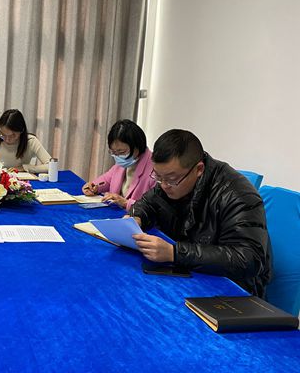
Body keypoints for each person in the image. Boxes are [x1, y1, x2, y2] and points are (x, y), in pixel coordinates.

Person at [130, 129, 272, 297]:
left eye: (171, 179)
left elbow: (247, 259)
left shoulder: (238, 195)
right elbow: (148, 202)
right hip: (193, 270)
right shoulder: (172, 181)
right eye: (158, 177)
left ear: (199, 169)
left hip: (232, 289)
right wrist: (136, 217)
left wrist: (175, 253)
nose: (164, 185)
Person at [81, 119, 155, 211]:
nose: (118, 156)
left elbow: (154, 208)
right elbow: (107, 179)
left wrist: (126, 203)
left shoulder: (154, 170)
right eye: (114, 152)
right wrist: (93, 186)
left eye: (122, 152)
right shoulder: (124, 162)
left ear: (138, 146)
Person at [0, 109, 51, 173]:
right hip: (1, 180)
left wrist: (25, 167)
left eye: (12, 135)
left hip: (24, 180)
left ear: (21, 130)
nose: (7, 139)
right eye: (3, 134)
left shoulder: (31, 141)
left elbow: (51, 166)